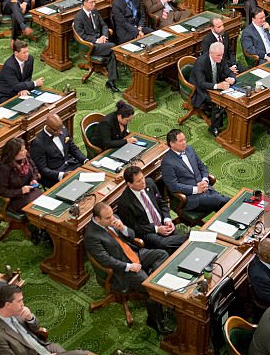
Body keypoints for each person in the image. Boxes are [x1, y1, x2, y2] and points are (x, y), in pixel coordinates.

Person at [85, 201, 172, 333]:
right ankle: (155, 322)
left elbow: (131, 236)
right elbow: (105, 260)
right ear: (97, 219)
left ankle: (152, 277)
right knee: (152, 289)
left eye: (112, 215)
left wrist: (123, 229)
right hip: (120, 269)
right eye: (108, 218)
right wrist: (128, 267)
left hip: (134, 253)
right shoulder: (91, 236)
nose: (112, 219)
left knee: (161, 254)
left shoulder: (114, 219)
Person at [116, 164, 187, 253]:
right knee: (164, 244)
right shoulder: (125, 202)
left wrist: (167, 219)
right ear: (129, 184)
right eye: (138, 181)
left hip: (163, 223)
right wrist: (157, 229)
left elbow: (162, 204)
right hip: (147, 232)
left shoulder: (149, 183)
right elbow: (135, 227)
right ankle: (190, 237)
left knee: (174, 244)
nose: (143, 182)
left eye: (142, 177)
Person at [159, 129, 227, 213]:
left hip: (206, 188)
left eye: (184, 139)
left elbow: (202, 167)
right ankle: (241, 203)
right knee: (221, 200)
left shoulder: (189, 149)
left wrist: (204, 180)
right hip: (190, 198)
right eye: (181, 141)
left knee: (221, 205)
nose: (184, 142)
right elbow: (173, 186)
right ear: (172, 143)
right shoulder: (167, 162)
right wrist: (196, 189)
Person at [74, 0, 119, 92]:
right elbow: (82, 36)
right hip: (90, 46)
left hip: (101, 42)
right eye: (91, 2)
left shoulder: (95, 12)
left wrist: (104, 36)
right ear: (85, 3)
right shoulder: (79, 17)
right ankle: (112, 79)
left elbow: (104, 25)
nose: (94, 4)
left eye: (94, 2)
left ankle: (111, 81)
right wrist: (96, 40)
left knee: (112, 52)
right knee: (113, 48)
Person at [191, 43, 236, 137]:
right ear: (210, 53)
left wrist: (232, 78)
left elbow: (229, 72)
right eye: (218, 55)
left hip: (216, 84)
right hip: (200, 89)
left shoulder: (220, 58)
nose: (221, 58)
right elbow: (201, 83)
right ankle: (214, 127)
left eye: (222, 55)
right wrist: (217, 86)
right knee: (218, 102)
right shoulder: (201, 62)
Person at [29, 113, 86, 187]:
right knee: (77, 187)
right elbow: (42, 169)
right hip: (55, 175)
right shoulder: (38, 143)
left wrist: (85, 160)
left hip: (71, 164)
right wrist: (62, 175)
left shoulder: (63, 129)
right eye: (56, 130)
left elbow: (73, 149)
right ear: (48, 127)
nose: (60, 132)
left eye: (61, 128)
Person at [0, 137, 44, 213]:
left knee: (44, 200)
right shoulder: (3, 168)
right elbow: (2, 191)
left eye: (25, 149)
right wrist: (21, 191)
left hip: (30, 191)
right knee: (37, 208)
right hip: (15, 199)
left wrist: (33, 179)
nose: (26, 151)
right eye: (22, 150)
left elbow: (34, 168)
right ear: (13, 153)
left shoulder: (25, 157)